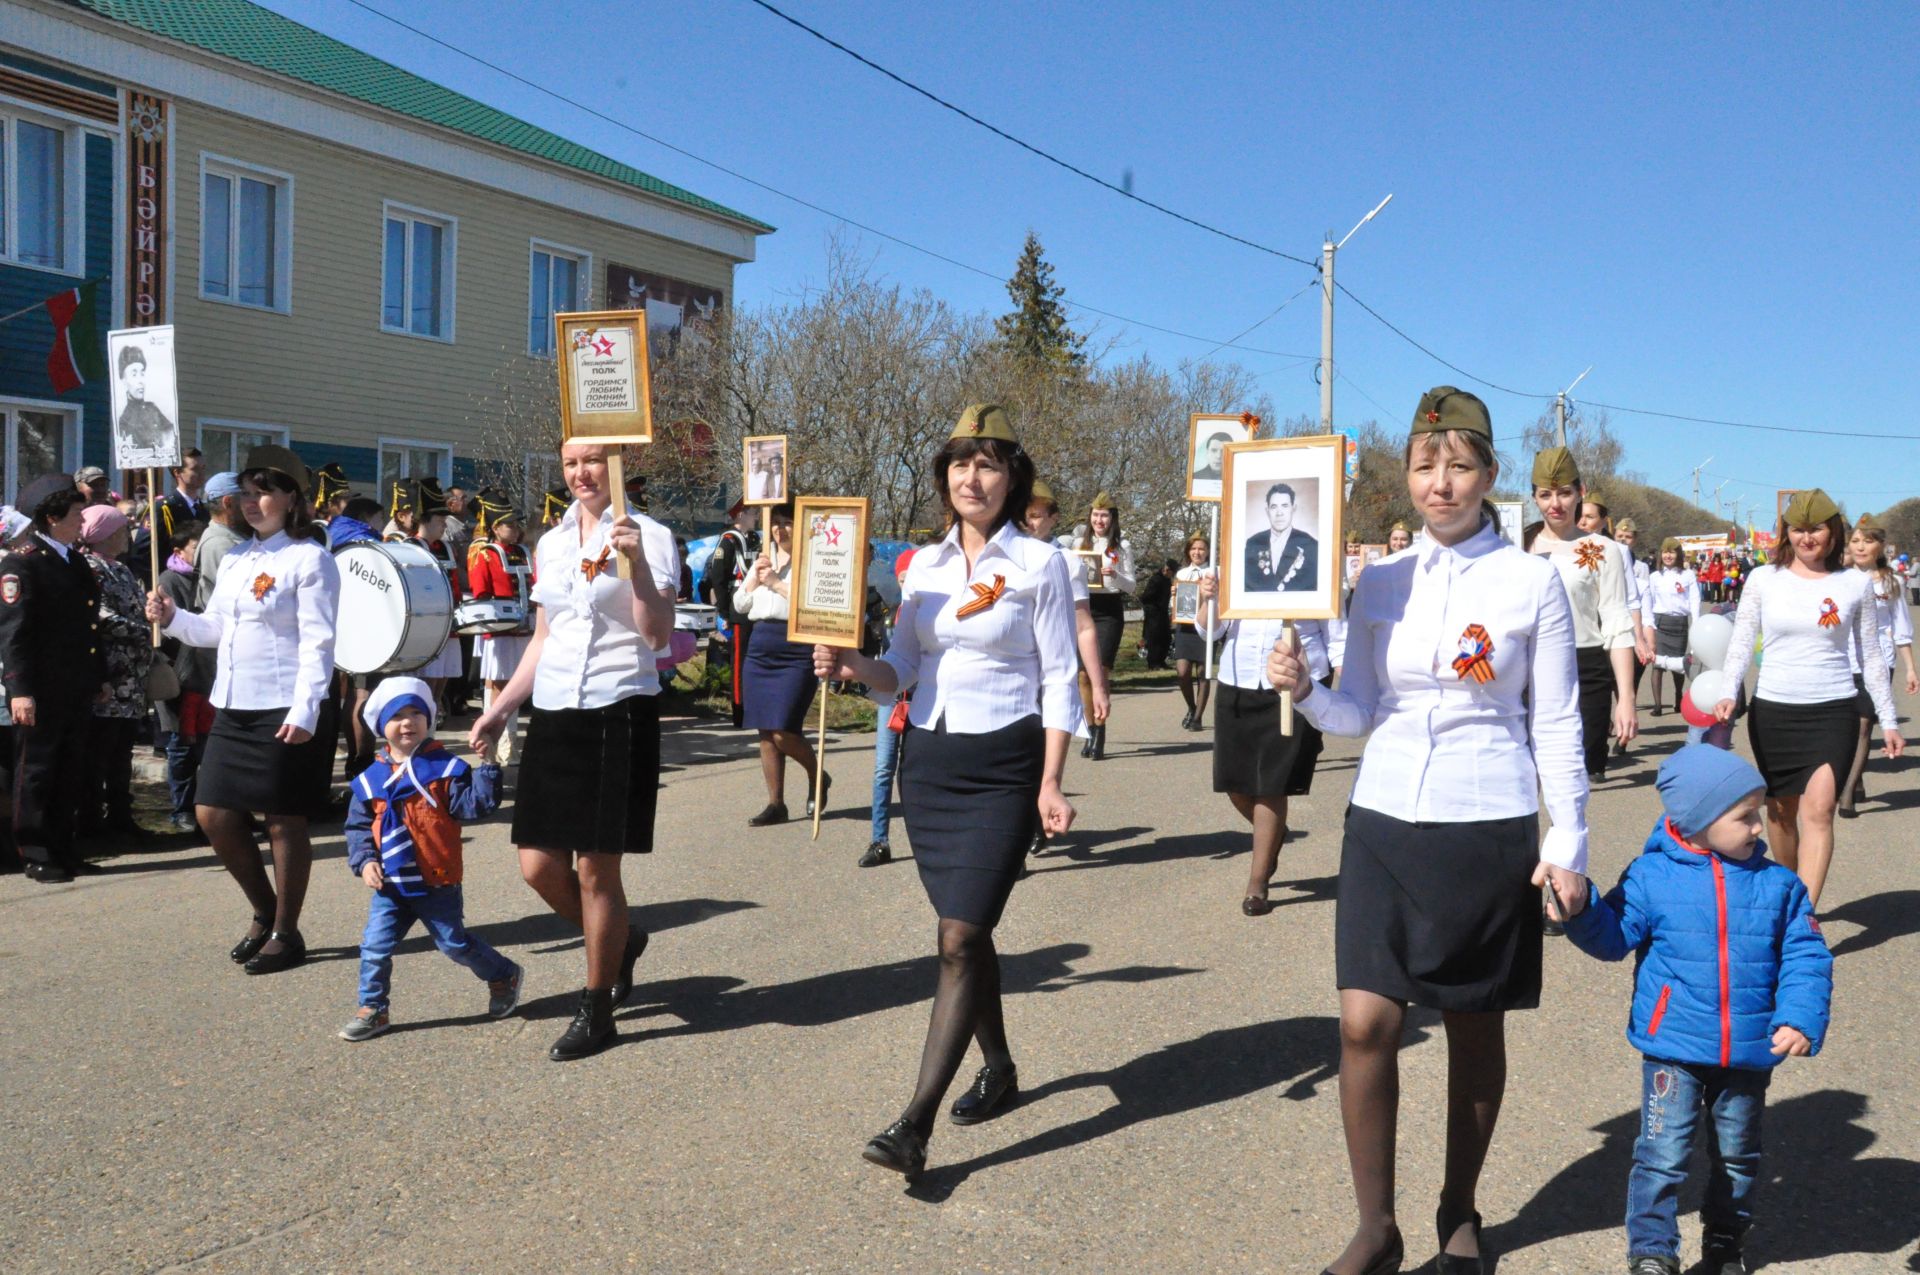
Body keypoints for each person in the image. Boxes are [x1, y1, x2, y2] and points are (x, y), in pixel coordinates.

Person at [1267, 387, 1589, 1275]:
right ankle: (1376, 1226)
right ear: (1405, 476)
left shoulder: (1533, 582)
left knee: (1472, 1026)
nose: (1440, 482)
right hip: (1383, 818)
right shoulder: (1380, 581)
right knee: (1365, 1023)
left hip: (1487, 820)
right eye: (1424, 465)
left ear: (1488, 473)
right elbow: (1358, 708)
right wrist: (1303, 690)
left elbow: (1556, 720)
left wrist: (1569, 840)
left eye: (1458, 465)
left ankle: (1459, 1208)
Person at [811, 403, 1081, 1177]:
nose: (973, 476)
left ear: (1011, 477)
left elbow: (1059, 673)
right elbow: (902, 667)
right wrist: (855, 666)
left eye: (989, 462)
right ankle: (998, 1065)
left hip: (1005, 765)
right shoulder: (922, 569)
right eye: (961, 463)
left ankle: (914, 1124)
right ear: (945, 478)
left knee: (958, 939)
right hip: (929, 764)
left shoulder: (1040, 564)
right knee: (970, 931)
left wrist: (1052, 778)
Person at [1561, 745, 1833, 1275]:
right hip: (1674, 1047)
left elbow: (1807, 955)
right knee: (1661, 1154)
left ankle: (1725, 1244)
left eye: (1757, 813)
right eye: (1744, 816)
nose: (1759, 827)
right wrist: (1580, 907)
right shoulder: (1651, 875)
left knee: (1737, 1155)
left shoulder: (1780, 885)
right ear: (1698, 822)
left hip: (1751, 1050)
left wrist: (1801, 1016)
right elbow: (1613, 937)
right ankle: (1652, 1252)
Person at [469, 441, 679, 1061]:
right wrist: (501, 706)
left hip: (618, 706)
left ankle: (597, 1004)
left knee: (595, 867)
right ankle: (623, 940)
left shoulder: (649, 534)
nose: (580, 473)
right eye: (570, 463)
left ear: (615, 463)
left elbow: (656, 634)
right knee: (537, 865)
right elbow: (545, 634)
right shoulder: (552, 542)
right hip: (556, 709)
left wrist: (634, 563)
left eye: (592, 460)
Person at [145, 446, 341, 973]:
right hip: (233, 704)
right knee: (213, 814)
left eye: (265, 492)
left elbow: (319, 642)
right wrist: (173, 616)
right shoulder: (235, 558)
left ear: (292, 498)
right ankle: (263, 907)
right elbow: (214, 629)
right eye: (247, 492)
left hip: (284, 704)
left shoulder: (310, 558)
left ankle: (286, 931)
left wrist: (305, 710)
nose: (252, 502)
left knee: (283, 820)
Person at [1713, 489, 1902, 908]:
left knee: (1819, 810)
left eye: (1816, 529)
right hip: (1775, 710)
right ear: (1787, 533)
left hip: (1834, 708)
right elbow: (1742, 640)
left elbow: (1870, 654)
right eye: (1798, 530)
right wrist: (1729, 691)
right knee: (1781, 814)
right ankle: (1788, 888)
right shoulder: (1764, 579)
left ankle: (1803, 914)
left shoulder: (1854, 584)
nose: (1807, 538)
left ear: (1833, 532)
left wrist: (1887, 718)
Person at [338, 677, 523, 1041]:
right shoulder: (370, 780)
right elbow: (358, 826)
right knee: (374, 947)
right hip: (391, 885)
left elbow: (474, 807)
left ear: (428, 719)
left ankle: (503, 974)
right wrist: (365, 861)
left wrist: (486, 768)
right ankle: (373, 1008)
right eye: (397, 716)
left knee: (453, 945)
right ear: (381, 726)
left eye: (415, 713)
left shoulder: (445, 768)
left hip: (437, 880)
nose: (407, 722)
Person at [1195, 570, 1328, 914]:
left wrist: (1336, 686)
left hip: (1294, 680)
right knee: (1235, 784)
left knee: (1272, 783)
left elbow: (1336, 632)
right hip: (1238, 678)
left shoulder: (1316, 561)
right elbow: (1212, 631)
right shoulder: (1236, 562)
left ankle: (1257, 883)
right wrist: (1207, 599)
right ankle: (1272, 836)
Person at [0, 475, 110, 882]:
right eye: (77, 513)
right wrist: (20, 690)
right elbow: (14, 633)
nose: (83, 520)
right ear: (51, 517)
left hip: (75, 685)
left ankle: (64, 846)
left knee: (70, 769)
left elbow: (87, 628)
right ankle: (36, 851)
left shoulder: (74, 560)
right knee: (37, 770)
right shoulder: (22, 562)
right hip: (41, 688)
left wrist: (96, 677)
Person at [1525, 447, 1637, 781]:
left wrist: (1627, 698)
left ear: (1580, 492)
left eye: (1564, 493)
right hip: (1529, 668)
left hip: (1586, 667)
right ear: (1534, 498)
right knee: (1531, 773)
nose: (1555, 504)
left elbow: (1617, 621)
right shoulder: (1518, 545)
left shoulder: (1604, 550)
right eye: (1545, 495)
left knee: (1580, 768)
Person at [735, 501, 825, 826]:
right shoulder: (763, 558)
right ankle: (776, 803)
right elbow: (740, 604)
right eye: (776, 523)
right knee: (765, 729)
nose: (780, 529)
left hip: (796, 647)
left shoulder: (813, 561)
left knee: (783, 730)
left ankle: (817, 775)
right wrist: (756, 579)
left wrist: (775, 583)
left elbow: (812, 604)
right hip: (761, 645)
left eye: (787, 522)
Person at [77, 504, 153, 838]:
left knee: (122, 752)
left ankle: (122, 816)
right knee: (100, 752)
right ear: (106, 534)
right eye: (122, 530)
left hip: (132, 679)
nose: (128, 536)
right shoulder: (89, 567)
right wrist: (146, 631)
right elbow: (101, 616)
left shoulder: (121, 569)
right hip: (109, 675)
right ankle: (92, 820)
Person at [1838, 512, 1918, 818]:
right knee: (1846, 728)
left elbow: (1901, 629)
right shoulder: (1839, 580)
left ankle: (1847, 794)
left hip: (1878, 662)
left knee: (1863, 727)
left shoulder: (1892, 581)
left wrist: (1910, 667)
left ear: (1880, 546)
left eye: (1867, 541)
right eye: (1855, 541)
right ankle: (1855, 778)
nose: (1860, 547)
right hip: (1842, 662)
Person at [465, 493, 534, 765]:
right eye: (510, 525)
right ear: (495, 528)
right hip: (500, 629)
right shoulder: (485, 554)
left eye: (517, 525)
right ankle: (494, 744)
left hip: (523, 628)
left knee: (518, 685)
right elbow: (481, 591)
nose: (516, 530)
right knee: (500, 687)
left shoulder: (521, 552)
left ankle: (510, 742)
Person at [154, 520, 212, 831]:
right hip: (183, 677)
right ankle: (182, 809)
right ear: (179, 551)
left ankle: (209, 809)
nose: (201, 552)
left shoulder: (206, 575)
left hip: (207, 676)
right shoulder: (169, 580)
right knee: (181, 746)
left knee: (206, 746)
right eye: (195, 547)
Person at [1072, 491, 1134, 760]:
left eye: (1104, 515)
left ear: (1112, 518)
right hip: (1085, 607)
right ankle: (1089, 728)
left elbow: (1131, 586)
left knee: (1102, 671)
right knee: (1083, 675)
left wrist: (1115, 575)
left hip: (1109, 610)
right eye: (1095, 515)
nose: (1099, 519)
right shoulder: (1078, 544)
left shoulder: (1123, 547)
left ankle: (1101, 731)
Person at [708, 500, 760, 730]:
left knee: (754, 660)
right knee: (739, 661)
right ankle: (739, 711)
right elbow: (718, 576)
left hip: (756, 605)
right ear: (740, 515)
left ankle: (754, 709)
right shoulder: (728, 541)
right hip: (737, 608)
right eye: (752, 513)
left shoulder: (754, 540)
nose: (756, 518)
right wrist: (723, 610)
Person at [1644, 538, 1700, 716]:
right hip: (1660, 623)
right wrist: (1649, 625)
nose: (1668, 555)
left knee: (1678, 665)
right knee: (1657, 665)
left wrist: (1696, 622)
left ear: (1679, 554)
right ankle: (1658, 705)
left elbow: (1694, 599)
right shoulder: (1654, 576)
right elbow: (1649, 601)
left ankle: (1678, 698)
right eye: (1665, 552)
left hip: (1679, 623)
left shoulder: (1688, 575)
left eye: (1672, 552)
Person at [1242, 482, 1320, 593]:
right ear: (1267, 511)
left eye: (1285, 506)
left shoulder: (1311, 546)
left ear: (1293, 508)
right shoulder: (1253, 543)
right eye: (1274, 507)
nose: (1279, 513)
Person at [1171, 535, 1215, 730]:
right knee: (1182, 671)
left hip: (1205, 626)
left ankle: (1197, 718)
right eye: (1193, 549)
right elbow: (1173, 605)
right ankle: (1191, 706)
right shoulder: (1181, 574)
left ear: (1208, 552)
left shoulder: (1214, 573)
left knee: (1203, 672)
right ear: (1188, 551)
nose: (1197, 552)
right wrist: (1173, 597)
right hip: (1185, 627)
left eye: (1202, 549)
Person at [193, 471, 247, 607]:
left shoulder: (232, 537)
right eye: (245, 496)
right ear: (228, 503)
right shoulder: (220, 545)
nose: (253, 503)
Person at [113, 344, 176, 455]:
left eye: (142, 373)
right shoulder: (124, 421)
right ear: (123, 379)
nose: (140, 380)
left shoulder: (152, 408)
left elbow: (171, 434)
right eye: (134, 374)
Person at [1139, 558, 1174, 670]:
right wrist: (1153, 608)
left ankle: (1161, 660)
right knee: (1154, 638)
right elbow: (1145, 597)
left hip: (1163, 612)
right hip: (1153, 613)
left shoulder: (1167, 581)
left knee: (1166, 637)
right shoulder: (1156, 580)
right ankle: (1153, 663)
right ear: (1167, 570)